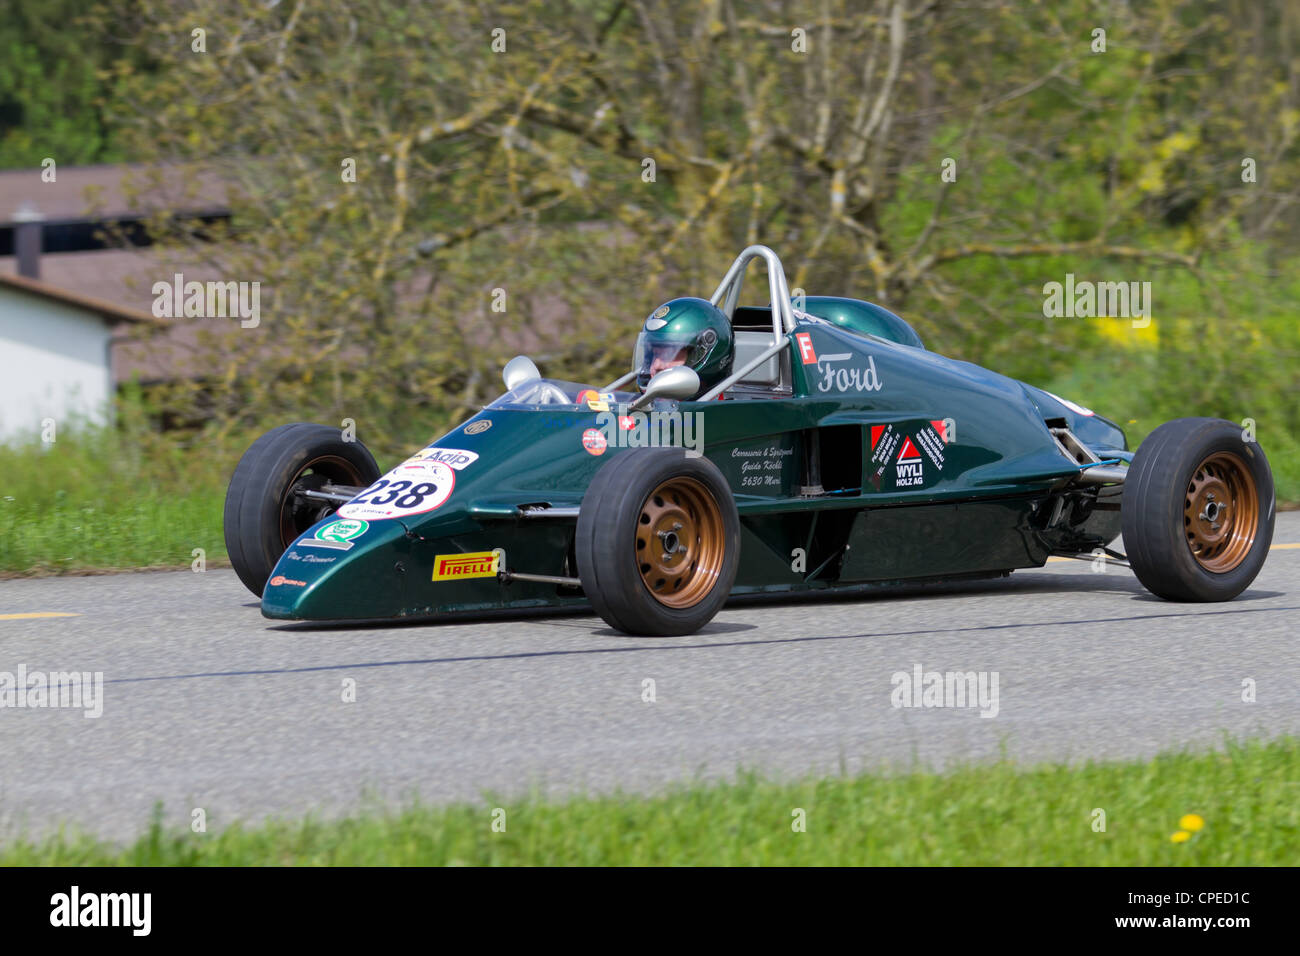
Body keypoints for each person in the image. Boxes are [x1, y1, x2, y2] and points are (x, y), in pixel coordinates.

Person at [633, 297, 734, 398]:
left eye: (669, 353)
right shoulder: (639, 405)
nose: (656, 366)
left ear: (703, 352)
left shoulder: (728, 412)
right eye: (653, 354)